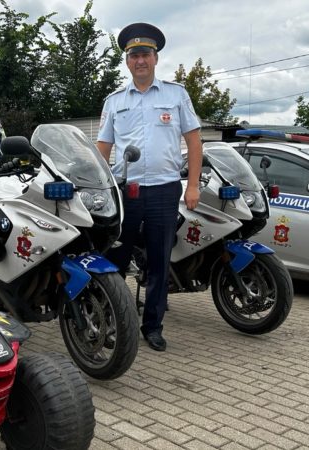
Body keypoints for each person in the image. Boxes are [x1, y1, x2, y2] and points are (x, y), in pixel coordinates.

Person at [97, 23, 203, 352]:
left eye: (145, 54)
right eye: (134, 55)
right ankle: (109, 320)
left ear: (156, 58)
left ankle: (153, 326)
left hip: (164, 190)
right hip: (125, 191)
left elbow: (195, 141)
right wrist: (98, 187)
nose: (140, 60)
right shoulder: (114, 101)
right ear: (127, 62)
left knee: (159, 261)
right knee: (115, 259)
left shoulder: (176, 94)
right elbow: (102, 147)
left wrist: (193, 186)